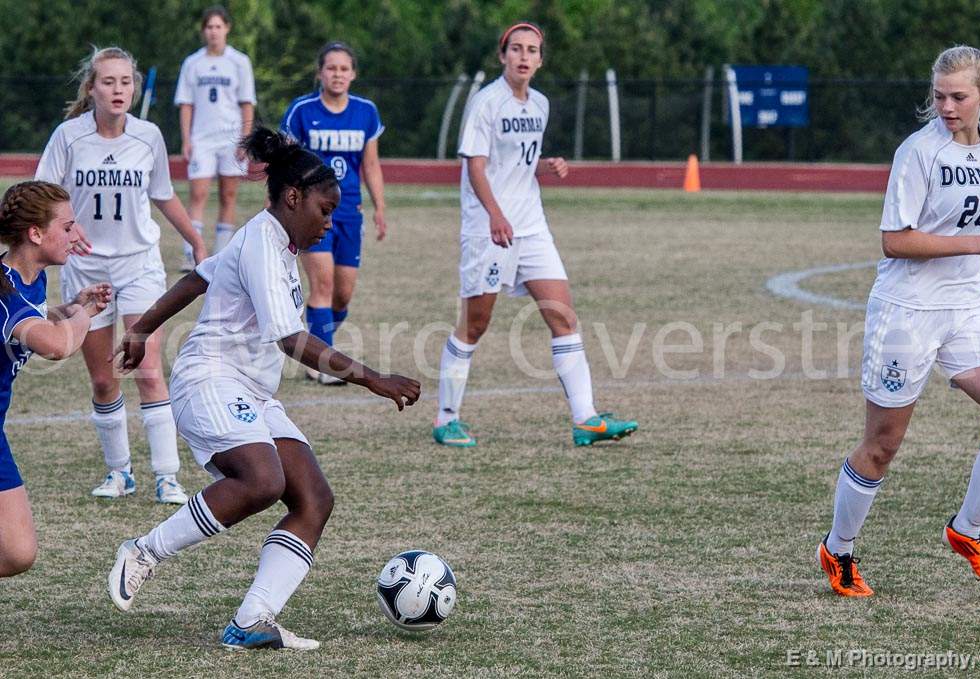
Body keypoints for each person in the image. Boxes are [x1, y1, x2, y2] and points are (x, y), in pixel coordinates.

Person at [106, 128, 420, 650]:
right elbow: (292, 340)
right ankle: (144, 551)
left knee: (314, 498)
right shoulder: (262, 243)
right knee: (261, 479)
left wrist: (141, 329)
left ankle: (252, 620)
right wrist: (372, 377)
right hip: (208, 378)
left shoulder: (273, 240)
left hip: (250, 390)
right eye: (325, 209)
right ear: (292, 197)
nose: (330, 221)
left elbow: (198, 278)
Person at [817, 45, 980, 597]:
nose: (947, 107)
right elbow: (895, 240)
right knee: (882, 445)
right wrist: (977, 242)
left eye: (958, 97)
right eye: (939, 96)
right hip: (907, 311)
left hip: (967, 306)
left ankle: (967, 531)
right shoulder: (918, 152)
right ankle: (838, 550)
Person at [432, 22, 637, 447]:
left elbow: (518, 161)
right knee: (475, 324)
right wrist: (494, 215)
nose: (524, 57)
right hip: (489, 230)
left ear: (541, 60)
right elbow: (476, 165)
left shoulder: (539, 104)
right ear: (502, 55)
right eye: (516, 50)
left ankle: (586, 419)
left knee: (563, 316)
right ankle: (445, 418)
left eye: (532, 51)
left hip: (531, 227)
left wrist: (545, 164)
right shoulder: (486, 103)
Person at [36, 46, 207, 504]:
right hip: (86, 270)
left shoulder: (149, 136)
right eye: (108, 82)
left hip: (139, 265)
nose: (118, 90)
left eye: (125, 82)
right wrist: (65, 234)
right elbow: (44, 195)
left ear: (134, 88)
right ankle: (119, 472)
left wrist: (196, 238)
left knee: (149, 369)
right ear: (92, 89)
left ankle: (167, 476)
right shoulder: (68, 137)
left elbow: (163, 195)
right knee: (103, 378)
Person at [0, 180, 112, 577]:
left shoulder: (32, 278)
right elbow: (55, 346)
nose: (75, 235)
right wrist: (86, 317)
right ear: (35, 233)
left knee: (17, 553)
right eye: (67, 227)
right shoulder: (6, 291)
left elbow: (37, 321)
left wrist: (71, 308)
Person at [280, 41, 387, 385]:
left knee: (343, 295)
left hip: (350, 213)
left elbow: (370, 164)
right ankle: (324, 363)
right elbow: (286, 160)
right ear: (320, 73)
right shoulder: (302, 110)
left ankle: (312, 345)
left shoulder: (366, 112)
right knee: (322, 284)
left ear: (353, 74)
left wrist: (380, 208)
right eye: (331, 68)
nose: (337, 75)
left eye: (344, 69)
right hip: (312, 210)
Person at [175, 4, 256, 269]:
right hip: (202, 138)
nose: (214, 32)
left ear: (227, 29)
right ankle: (191, 253)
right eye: (209, 27)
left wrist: (245, 139)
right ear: (203, 31)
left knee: (228, 195)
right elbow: (186, 104)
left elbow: (246, 103)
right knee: (198, 194)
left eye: (218, 27)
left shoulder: (239, 62)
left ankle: (221, 255)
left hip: (231, 139)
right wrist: (186, 139)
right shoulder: (193, 63)